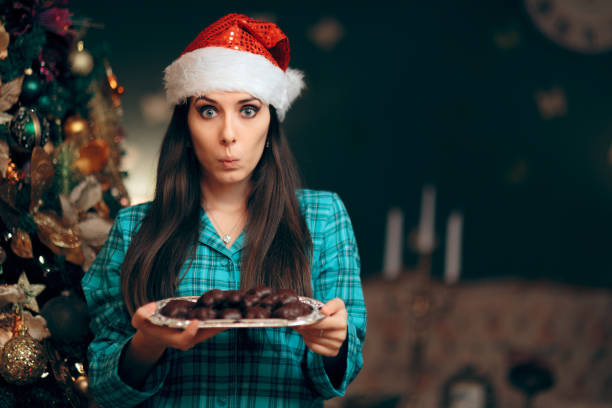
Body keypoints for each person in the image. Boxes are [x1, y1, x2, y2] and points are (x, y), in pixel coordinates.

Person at [81, 13, 366, 408]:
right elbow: (103, 386)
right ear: (186, 124)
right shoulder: (134, 227)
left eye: (248, 110)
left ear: (271, 122)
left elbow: (339, 377)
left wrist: (333, 344)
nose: (228, 134)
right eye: (209, 110)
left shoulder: (323, 217)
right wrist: (149, 342)